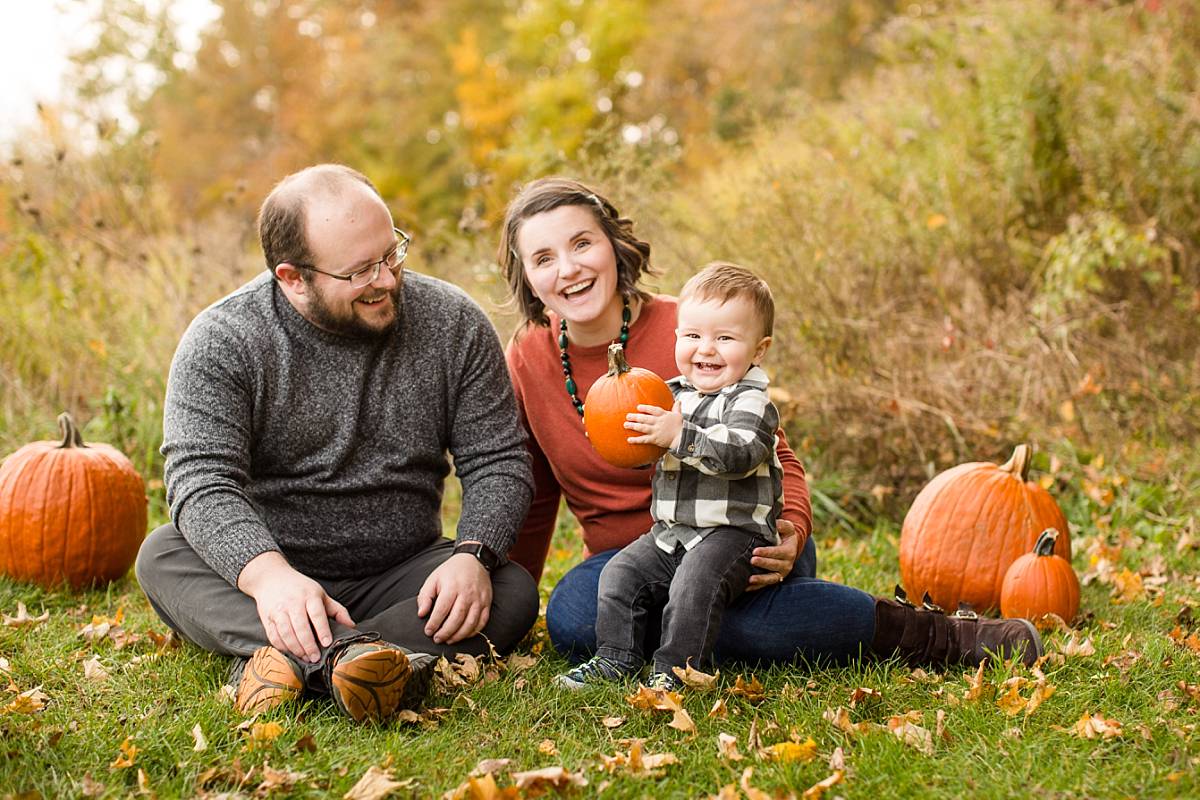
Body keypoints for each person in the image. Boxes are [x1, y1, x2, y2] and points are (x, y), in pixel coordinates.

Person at [499, 176, 1044, 672]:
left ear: (612, 245)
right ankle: (713, 629)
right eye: (543, 257)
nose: (568, 268)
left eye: (581, 243)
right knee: (573, 613)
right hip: (644, 557)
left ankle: (937, 637)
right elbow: (536, 491)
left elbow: (771, 450)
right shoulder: (527, 358)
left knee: (707, 602)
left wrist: (795, 529)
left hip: (742, 535)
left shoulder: (695, 329)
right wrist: (506, 599)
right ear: (527, 276)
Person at [135, 164, 539, 724]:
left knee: (509, 587)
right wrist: (269, 576)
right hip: (271, 577)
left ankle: (293, 661)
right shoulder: (224, 340)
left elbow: (498, 459)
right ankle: (354, 663)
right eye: (360, 271)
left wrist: (473, 553)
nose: (389, 278)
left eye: (391, 252)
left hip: (401, 572)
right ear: (293, 277)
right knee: (162, 555)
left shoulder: (453, 324)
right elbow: (201, 481)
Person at [556, 262, 788, 691]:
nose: (707, 349)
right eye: (694, 336)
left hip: (733, 534)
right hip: (672, 531)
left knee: (695, 584)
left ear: (758, 349)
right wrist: (619, 434)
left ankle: (676, 671)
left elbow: (740, 454)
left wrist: (679, 434)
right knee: (619, 574)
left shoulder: (752, 402)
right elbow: (646, 454)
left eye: (725, 338)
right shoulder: (670, 394)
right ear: (677, 336)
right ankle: (616, 658)